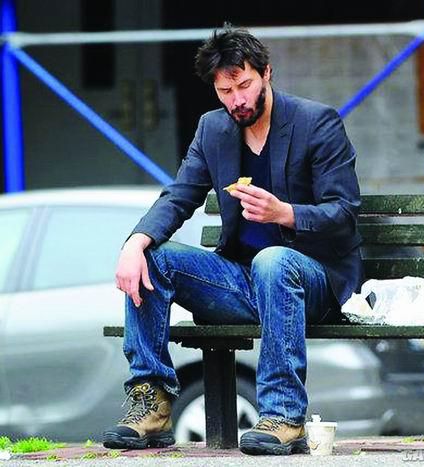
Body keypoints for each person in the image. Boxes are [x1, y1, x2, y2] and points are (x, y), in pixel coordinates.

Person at [103, 26, 363, 456]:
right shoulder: (213, 129)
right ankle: (152, 403)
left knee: (274, 261)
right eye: (225, 91)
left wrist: (285, 213)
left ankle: (283, 415)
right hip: (243, 280)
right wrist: (135, 243)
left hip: (313, 280)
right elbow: (179, 195)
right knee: (154, 258)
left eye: (244, 85)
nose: (237, 99)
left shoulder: (316, 123)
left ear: (266, 73)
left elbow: (344, 213)